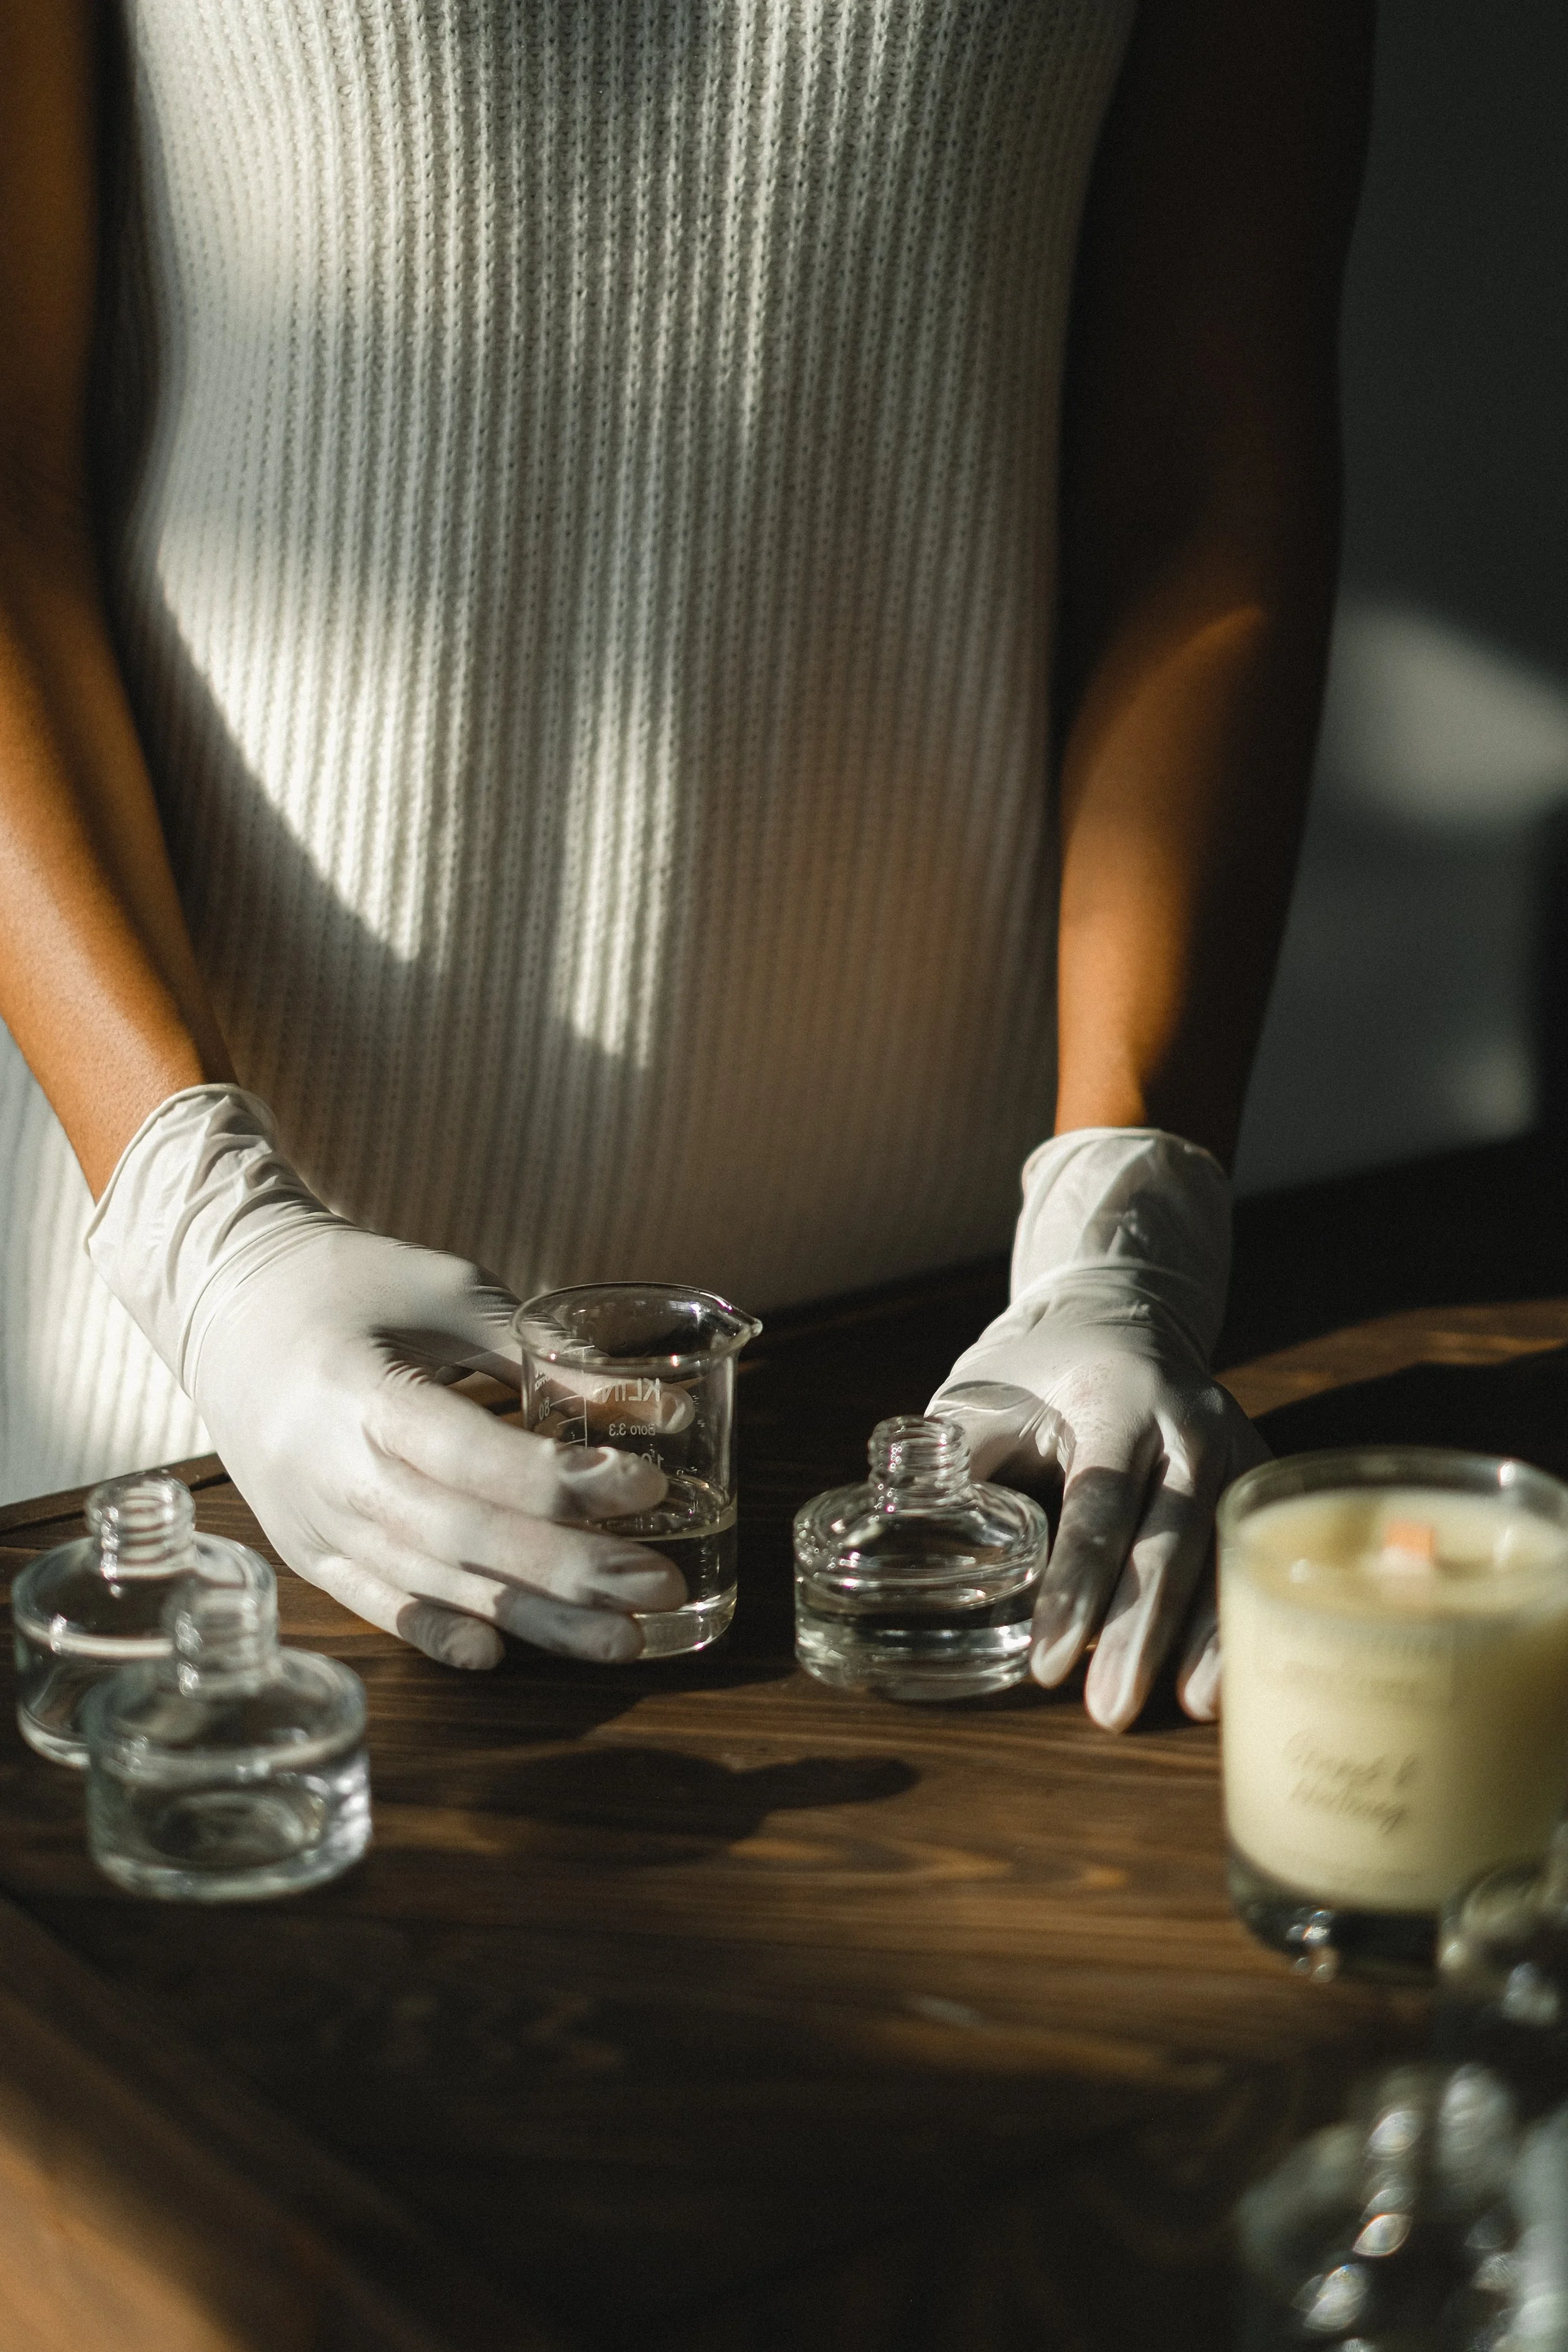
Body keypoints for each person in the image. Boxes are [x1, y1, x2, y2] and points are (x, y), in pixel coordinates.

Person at [0, 3, 1372, 1727]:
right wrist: (202, 1233)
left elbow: (1205, 463)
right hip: (209, 1399)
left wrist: (1123, 1229)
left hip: (964, 1406)